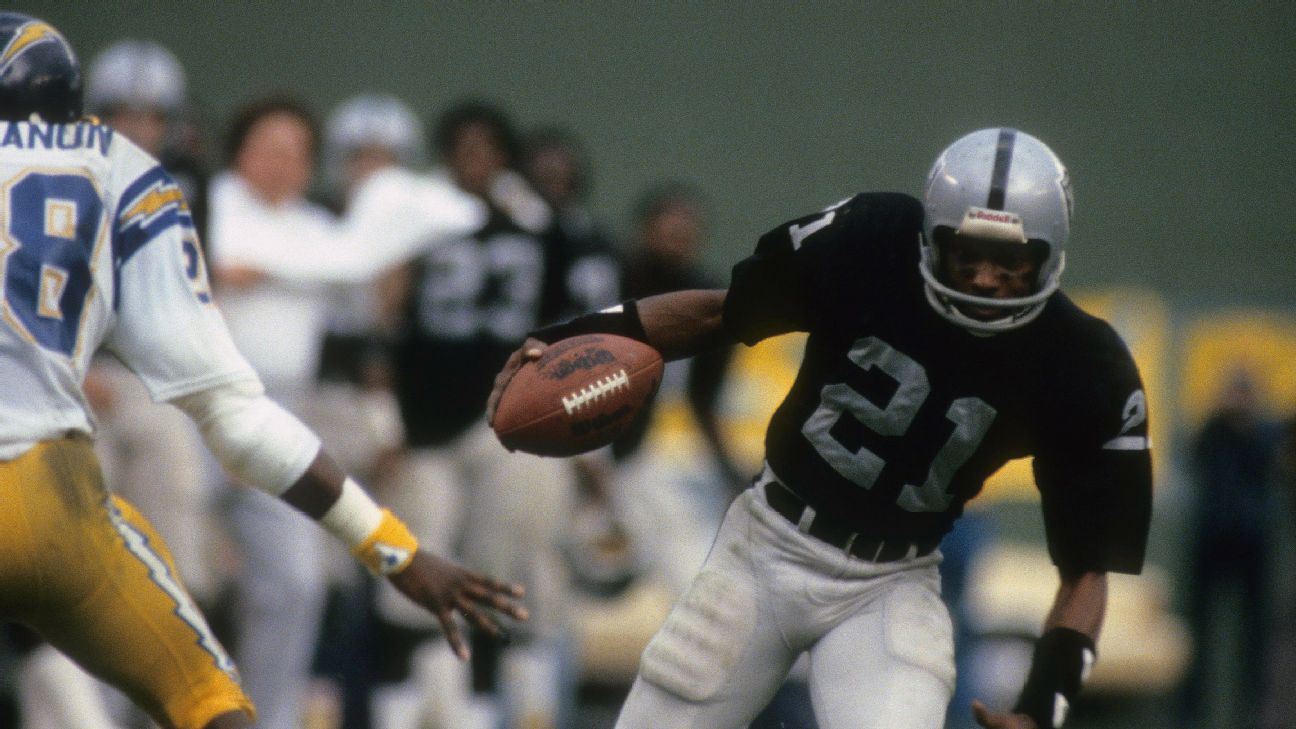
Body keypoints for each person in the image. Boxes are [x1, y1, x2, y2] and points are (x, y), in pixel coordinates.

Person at [491, 127, 1153, 729]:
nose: (983, 277)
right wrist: (563, 340)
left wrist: (1044, 701)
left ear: (1050, 257)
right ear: (930, 237)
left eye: (1008, 262)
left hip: (891, 580)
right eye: (965, 253)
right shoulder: (870, 241)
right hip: (766, 543)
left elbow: (1087, 570)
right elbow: (715, 315)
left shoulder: (1084, 365)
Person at [0, 13, 526, 729]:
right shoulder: (124, 175)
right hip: (52, 491)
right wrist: (395, 550)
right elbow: (239, 417)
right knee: (208, 700)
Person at [371, 101, 619, 729]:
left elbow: (575, 332)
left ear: (506, 157)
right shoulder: (418, 216)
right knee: (415, 567)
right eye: (464, 147)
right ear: (446, 154)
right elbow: (385, 313)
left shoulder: (541, 226)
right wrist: (383, 418)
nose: (475, 160)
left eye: (488, 148)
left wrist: (583, 438)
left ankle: (479, 707)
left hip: (512, 421)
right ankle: (416, 705)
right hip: (424, 419)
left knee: (498, 567)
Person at [1177, 370, 1281, 728]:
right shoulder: (1213, 433)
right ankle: (1190, 711)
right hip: (1212, 541)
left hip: (1251, 544)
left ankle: (1252, 709)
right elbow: (1194, 451)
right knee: (1199, 635)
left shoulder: (1263, 434)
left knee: (1254, 637)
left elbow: (1272, 453)